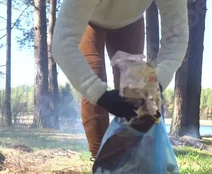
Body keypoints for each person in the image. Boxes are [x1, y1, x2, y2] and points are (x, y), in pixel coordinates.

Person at [51, 0, 189, 159]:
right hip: (89, 19)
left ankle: (129, 161)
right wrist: (100, 95)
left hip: (130, 20)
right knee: (94, 78)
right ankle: (100, 162)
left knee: (134, 90)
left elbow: (176, 36)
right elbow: (62, 43)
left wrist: (157, 82)